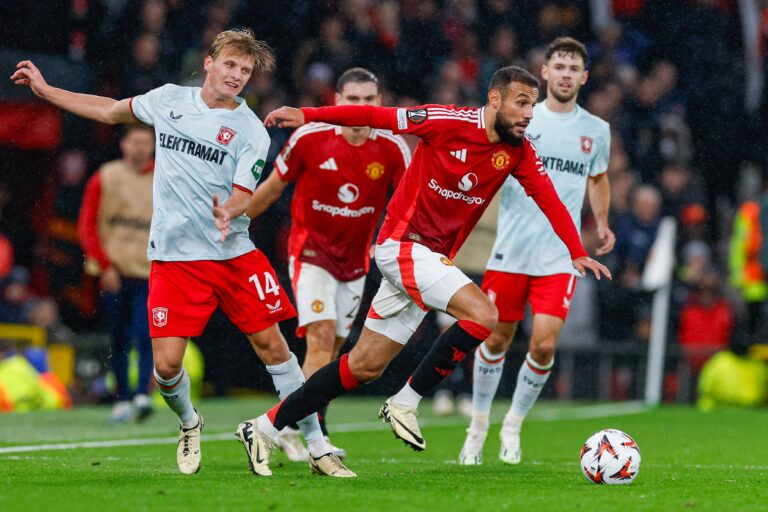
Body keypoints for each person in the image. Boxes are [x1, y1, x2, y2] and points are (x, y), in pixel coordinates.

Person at [231, 65, 611, 477]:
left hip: (428, 261)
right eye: (521, 103)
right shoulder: (446, 121)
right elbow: (376, 117)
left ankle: (263, 427)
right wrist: (309, 114)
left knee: (363, 367)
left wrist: (575, 251)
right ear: (495, 99)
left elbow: (548, 197)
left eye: (532, 106)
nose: (528, 115)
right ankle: (405, 402)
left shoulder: (518, 150)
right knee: (485, 315)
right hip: (402, 246)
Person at [12, 28, 353, 478]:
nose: (236, 76)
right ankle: (190, 421)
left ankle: (316, 443)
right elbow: (111, 111)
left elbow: (243, 193)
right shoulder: (168, 99)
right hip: (176, 260)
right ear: (209, 62)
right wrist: (47, 89)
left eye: (245, 71)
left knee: (274, 346)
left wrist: (229, 210)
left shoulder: (250, 128)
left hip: (233, 254)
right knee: (167, 367)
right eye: (230, 65)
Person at [457, 37, 614, 465]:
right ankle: (478, 426)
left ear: (584, 77)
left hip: (560, 257)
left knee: (543, 346)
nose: (565, 74)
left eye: (573, 68)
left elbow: (598, 179)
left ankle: (513, 425)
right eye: (558, 66)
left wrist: (601, 223)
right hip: (511, 249)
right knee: (495, 339)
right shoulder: (522, 119)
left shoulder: (596, 130)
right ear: (544, 73)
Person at [246, 67, 410, 460]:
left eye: (369, 100)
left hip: (355, 263)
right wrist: (233, 221)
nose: (361, 107)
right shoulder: (309, 137)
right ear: (337, 102)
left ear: (379, 104)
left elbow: (409, 207)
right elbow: (271, 189)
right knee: (320, 340)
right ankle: (300, 433)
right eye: (353, 100)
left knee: (334, 355)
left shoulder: (392, 147)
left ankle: (297, 426)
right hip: (310, 253)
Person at [77, 125, 156, 423]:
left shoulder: (164, 177)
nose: (139, 148)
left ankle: (141, 394)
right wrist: (104, 265)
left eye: (145, 143)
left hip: (150, 272)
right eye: (134, 142)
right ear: (123, 144)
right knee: (119, 338)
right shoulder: (106, 176)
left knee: (145, 334)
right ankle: (122, 397)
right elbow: (87, 225)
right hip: (116, 272)